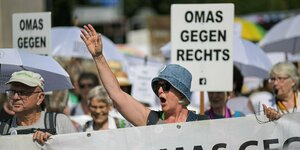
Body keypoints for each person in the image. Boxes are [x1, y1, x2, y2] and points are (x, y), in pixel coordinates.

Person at [80, 24, 208, 126]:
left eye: (166, 86)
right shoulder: (151, 120)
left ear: (181, 93)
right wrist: (98, 57)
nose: (160, 90)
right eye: (158, 86)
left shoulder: (202, 124)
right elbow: (116, 94)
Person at [0, 70, 76, 145]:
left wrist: (53, 142)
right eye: (12, 92)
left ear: (40, 98)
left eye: (23, 92)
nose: (15, 97)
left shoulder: (59, 122)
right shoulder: (2, 128)